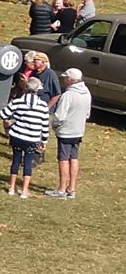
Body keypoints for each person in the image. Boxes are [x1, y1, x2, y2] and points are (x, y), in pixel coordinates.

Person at [0, 77, 50, 198]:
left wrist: (11, 120)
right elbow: (45, 126)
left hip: (17, 135)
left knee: (16, 160)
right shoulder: (43, 106)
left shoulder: (18, 102)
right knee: (28, 161)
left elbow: (3, 114)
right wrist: (44, 141)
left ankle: (12, 187)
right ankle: (25, 190)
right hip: (32, 138)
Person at [45, 68, 91, 200]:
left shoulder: (68, 95)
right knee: (74, 158)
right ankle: (72, 188)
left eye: (65, 78)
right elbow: (87, 114)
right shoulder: (86, 92)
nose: (64, 80)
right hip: (78, 130)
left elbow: (59, 116)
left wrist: (54, 125)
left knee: (63, 160)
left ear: (70, 80)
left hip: (66, 132)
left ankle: (61, 189)